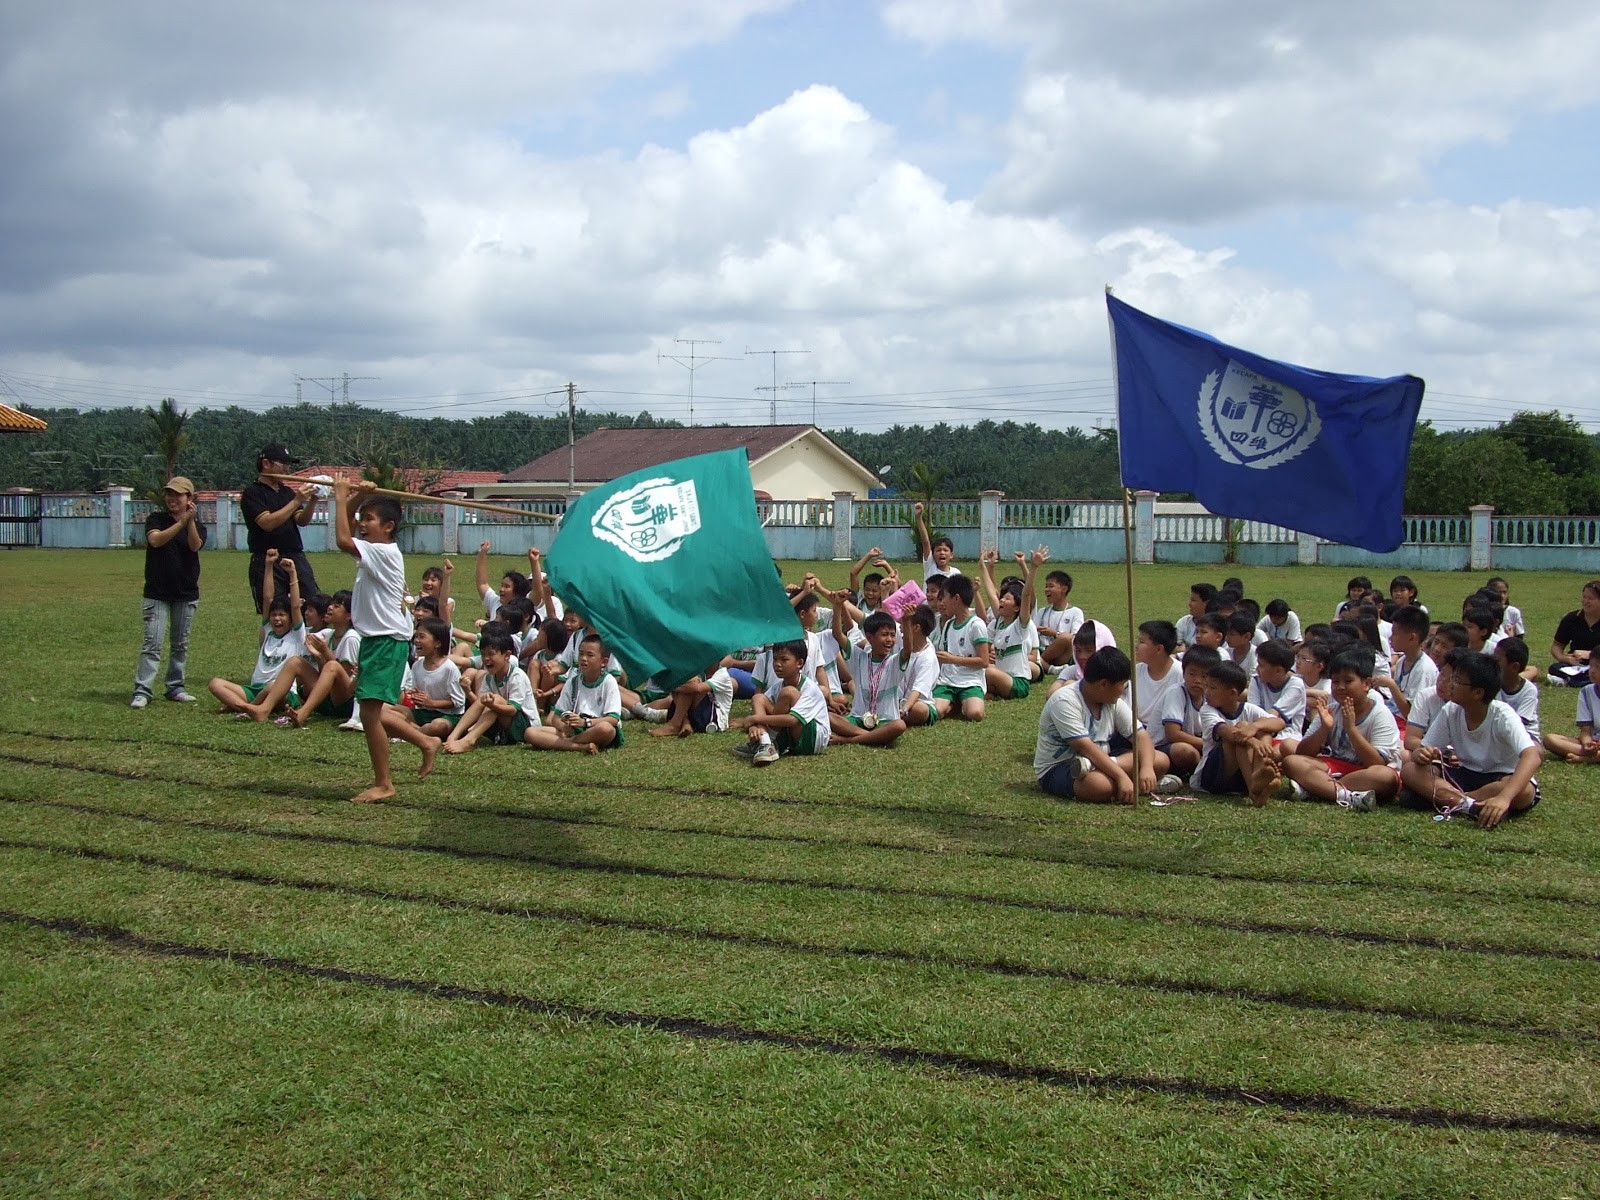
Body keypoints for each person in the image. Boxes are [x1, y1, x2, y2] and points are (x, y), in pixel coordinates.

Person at [333, 477, 422, 801]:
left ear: (388, 526)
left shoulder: (382, 552)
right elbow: (350, 529)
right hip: (378, 639)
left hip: (386, 640)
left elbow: (343, 539)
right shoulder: (377, 549)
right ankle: (425, 742)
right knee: (373, 710)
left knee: (369, 713)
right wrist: (357, 497)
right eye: (363, 518)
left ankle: (384, 784)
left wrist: (342, 496)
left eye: (369, 519)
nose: (362, 524)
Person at [1398, 649, 1542, 828]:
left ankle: (1450, 801)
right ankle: (1471, 806)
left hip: (1499, 777)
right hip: (1463, 774)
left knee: (1524, 792)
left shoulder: (1502, 715)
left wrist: (1504, 798)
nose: (1450, 684)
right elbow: (1424, 748)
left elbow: (1532, 755)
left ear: (1478, 693)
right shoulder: (1451, 710)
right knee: (1410, 770)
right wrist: (1422, 753)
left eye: (1457, 681)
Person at [1275, 650, 1402, 812]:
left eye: (1348, 681)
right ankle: (1347, 796)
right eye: (1335, 682)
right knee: (1292, 762)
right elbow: (1303, 752)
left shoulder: (1380, 714)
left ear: (1366, 684)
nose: (1340, 687)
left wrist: (1351, 729)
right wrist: (1324, 728)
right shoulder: (1331, 710)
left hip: (1364, 772)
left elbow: (1376, 762)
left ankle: (1317, 787)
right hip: (1336, 767)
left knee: (1385, 776)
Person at [1033, 646, 1163, 803]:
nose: (1123, 690)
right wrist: (1121, 776)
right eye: (1122, 684)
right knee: (1100, 786)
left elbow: (1141, 736)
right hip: (1061, 767)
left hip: (1098, 760)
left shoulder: (1112, 701)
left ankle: (1112, 774)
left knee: (1159, 760)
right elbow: (1084, 747)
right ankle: (1129, 782)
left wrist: (1147, 768)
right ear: (1104, 684)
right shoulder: (1065, 700)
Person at [132, 476, 206, 708]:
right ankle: (143, 690)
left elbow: (195, 546)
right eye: (169, 494)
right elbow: (156, 540)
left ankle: (175, 686)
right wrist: (180, 523)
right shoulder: (157, 519)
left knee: (180, 644)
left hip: (185, 592)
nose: (172, 499)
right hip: (157, 592)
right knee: (152, 644)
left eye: (178, 495)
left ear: (189, 499)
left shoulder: (198, 525)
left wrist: (190, 522)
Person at [207, 549, 305, 715]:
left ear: (290, 618)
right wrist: (268, 565)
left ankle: (245, 707)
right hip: (255, 689)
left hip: (281, 692)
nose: (277, 619)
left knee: (271, 687)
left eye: (282, 615)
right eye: (274, 615)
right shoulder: (268, 631)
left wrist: (292, 573)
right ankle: (250, 706)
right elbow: (267, 597)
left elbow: (295, 606)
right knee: (215, 683)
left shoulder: (296, 635)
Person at [241, 444, 320, 613]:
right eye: (282, 463)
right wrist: (297, 501)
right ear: (266, 464)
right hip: (268, 559)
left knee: (308, 605)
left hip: (295, 556)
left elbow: (301, 520)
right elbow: (267, 523)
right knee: (275, 611)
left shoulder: (287, 492)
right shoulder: (252, 493)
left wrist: (313, 500)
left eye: (288, 464)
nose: (286, 469)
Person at [1195, 660, 1284, 804]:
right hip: (1212, 778)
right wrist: (1252, 739)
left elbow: (1279, 722)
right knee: (1241, 730)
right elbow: (1224, 731)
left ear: (1232, 693)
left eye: (1212, 688)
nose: (1207, 693)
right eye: (1207, 687)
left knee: (1262, 729)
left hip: (1239, 778)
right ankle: (1255, 786)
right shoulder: (1207, 709)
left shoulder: (1248, 708)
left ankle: (1259, 776)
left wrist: (1255, 727)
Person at [733, 639, 831, 765]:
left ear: (799, 663)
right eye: (775, 659)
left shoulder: (810, 688)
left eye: (784, 660)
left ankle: (768, 744)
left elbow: (792, 720)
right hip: (793, 734)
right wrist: (754, 726)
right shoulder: (777, 686)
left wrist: (756, 719)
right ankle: (765, 742)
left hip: (813, 740)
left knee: (788, 693)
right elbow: (760, 707)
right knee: (758, 698)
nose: (777, 664)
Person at [380, 617, 466, 760]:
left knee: (438, 726)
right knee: (382, 709)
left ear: (437, 643)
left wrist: (432, 703)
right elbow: (417, 693)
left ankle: (407, 733)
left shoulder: (449, 668)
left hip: (447, 716)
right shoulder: (417, 665)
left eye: (422, 637)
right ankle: (413, 732)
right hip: (422, 713)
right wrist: (416, 696)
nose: (416, 641)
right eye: (416, 636)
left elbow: (458, 702)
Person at [549, 634, 624, 751]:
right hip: (576, 729)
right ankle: (582, 746)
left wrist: (585, 723)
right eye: (581, 654)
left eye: (590, 655)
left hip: (595, 727)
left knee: (606, 729)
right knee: (531, 732)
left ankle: (566, 744)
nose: (583, 658)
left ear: (604, 662)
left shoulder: (608, 682)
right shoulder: (572, 682)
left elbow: (613, 719)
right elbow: (556, 718)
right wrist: (564, 727)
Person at [932, 573, 991, 721]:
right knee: (936, 711)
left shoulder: (976, 625)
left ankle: (960, 701)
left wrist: (952, 659)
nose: (943, 602)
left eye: (945, 597)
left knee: (975, 714)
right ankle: (956, 703)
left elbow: (984, 661)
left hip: (970, 680)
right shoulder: (948, 625)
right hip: (947, 680)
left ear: (956, 598)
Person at [1542, 656, 1600, 764]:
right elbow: (1585, 730)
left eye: (1598, 667)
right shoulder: (1586, 692)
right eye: (1591, 666)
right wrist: (1588, 744)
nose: (1592, 671)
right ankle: (1593, 755)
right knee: (1550, 740)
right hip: (1594, 741)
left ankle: (1585, 759)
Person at [1548, 580, 1600, 686]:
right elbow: (1557, 646)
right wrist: (1565, 658)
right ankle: (1579, 680)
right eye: (1584, 597)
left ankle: (1571, 681)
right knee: (1554, 668)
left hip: (1597, 665)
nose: (1586, 601)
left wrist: (1590, 654)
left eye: (1591, 598)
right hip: (1576, 666)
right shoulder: (1572, 618)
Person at [1494, 637, 1540, 739]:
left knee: (1536, 752)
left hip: (1524, 734)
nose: (1492, 664)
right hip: (1495, 733)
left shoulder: (1529, 690)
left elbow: (1519, 724)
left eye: (1497, 660)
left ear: (1514, 667)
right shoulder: (1491, 684)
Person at [913, 502, 960, 579]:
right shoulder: (930, 566)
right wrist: (919, 518)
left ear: (951, 555)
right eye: (938, 550)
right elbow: (925, 542)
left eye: (945, 550)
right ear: (932, 554)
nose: (942, 553)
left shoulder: (956, 573)